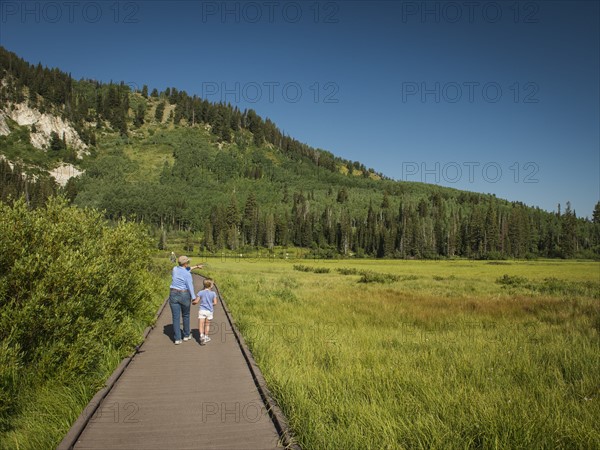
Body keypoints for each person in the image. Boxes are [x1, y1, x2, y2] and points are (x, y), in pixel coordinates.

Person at [169, 255, 203, 344]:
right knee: (186, 315)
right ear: (185, 263)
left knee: (175, 317)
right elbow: (190, 286)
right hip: (184, 294)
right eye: (188, 262)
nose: (189, 263)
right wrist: (194, 298)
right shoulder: (187, 274)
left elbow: (186, 269)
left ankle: (177, 339)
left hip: (173, 293)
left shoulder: (174, 269)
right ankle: (186, 335)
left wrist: (196, 267)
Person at [196, 278, 217, 345]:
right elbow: (215, 303)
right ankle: (206, 336)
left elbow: (196, 301)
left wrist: (193, 302)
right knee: (207, 324)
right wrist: (210, 304)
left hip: (202, 310)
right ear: (211, 285)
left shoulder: (200, 292)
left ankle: (201, 336)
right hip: (209, 311)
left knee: (201, 324)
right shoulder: (213, 293)